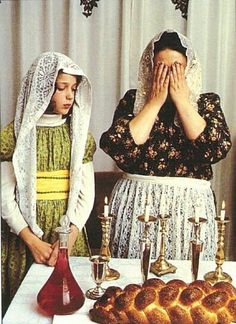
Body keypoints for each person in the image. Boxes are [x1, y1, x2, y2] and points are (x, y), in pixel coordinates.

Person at [100, 29, 231, 261]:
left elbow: (215, 147)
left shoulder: (206, 103)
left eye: (177, 68)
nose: (169, 76)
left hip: (190, 208)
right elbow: (118, 147)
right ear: (150, 69)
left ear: (189, 69)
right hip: (139, 204)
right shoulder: (133, 101)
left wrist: (182, 100)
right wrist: (153, 103)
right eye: (161, 68)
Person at [1, 52, 96, 313]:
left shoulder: (78, 136)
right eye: (61, 88)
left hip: (66, 234)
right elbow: (5, 196)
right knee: (27, 307)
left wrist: (72, 233)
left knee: (67, 303)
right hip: (24, 237)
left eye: (73, 89)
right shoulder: (14, 135)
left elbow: (86, 194)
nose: (69, 96)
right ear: (41, 88)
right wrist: (31, 239)